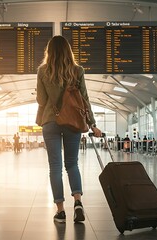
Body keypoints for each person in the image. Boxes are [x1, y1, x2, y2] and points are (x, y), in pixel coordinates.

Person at [36, 35, 102, 223]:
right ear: (68, 51)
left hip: (50, 121)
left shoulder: (43, 71)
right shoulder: (77, 70)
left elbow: (41, 100)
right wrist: (92, 124)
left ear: (49, 51)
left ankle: (60, 210)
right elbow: (84, 99)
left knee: (55, 167)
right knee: (72, 164)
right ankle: (78, 202)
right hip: (73, 122)